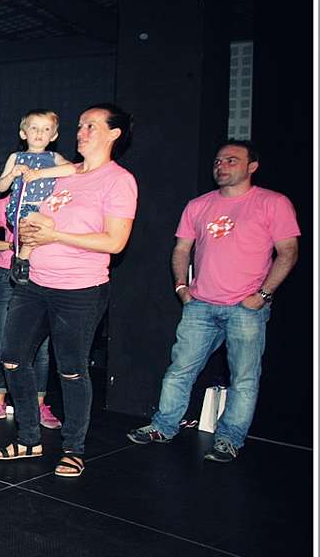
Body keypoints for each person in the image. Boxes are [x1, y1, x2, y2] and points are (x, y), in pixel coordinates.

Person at [126, 140, 299, 462]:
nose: (222, 166)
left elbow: (288, 252)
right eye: (218, 161)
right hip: (201, 305)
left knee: (243, 379)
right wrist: (182, 287)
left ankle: (229, 439)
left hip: (245, 309)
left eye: (232, 160)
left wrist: (263, 295)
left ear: (252, 166)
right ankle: (163, 426)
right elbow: (181, 249)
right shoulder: (199, 205)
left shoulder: (273, 203)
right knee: (180, 370)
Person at [0, 103, 137, 478]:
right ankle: (28, 438)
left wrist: (55, 235)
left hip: (79, 289)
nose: (81, 132)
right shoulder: (66, 174)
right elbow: (34, 208)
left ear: (114, 134)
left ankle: (74, 448)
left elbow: (115, 241)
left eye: (91, 126)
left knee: (70, 369)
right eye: (80, 125)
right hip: (34, 283)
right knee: (12, 358)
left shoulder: (118, 180)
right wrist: (30, 233)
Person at [0, 195, 61, 429]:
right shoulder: (3, 204)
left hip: (41, 274)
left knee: (41, 347)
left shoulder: (50, 202)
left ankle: (39, 405)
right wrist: (12, 246)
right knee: (6, 342)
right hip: (8, 275)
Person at [0, 110, 75, 285]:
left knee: (53, 225)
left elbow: (71, 169)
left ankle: (37, 265)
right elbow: (0, 187)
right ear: (23, 134)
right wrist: (12, 174)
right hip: (21, 207)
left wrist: (40, 173)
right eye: (34, 128)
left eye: (46, 129)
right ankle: (22, 259)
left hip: (45, 207)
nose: (40, 133)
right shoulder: (16, 157)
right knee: (48, 224)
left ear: (54, 136)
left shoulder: (54, 157)